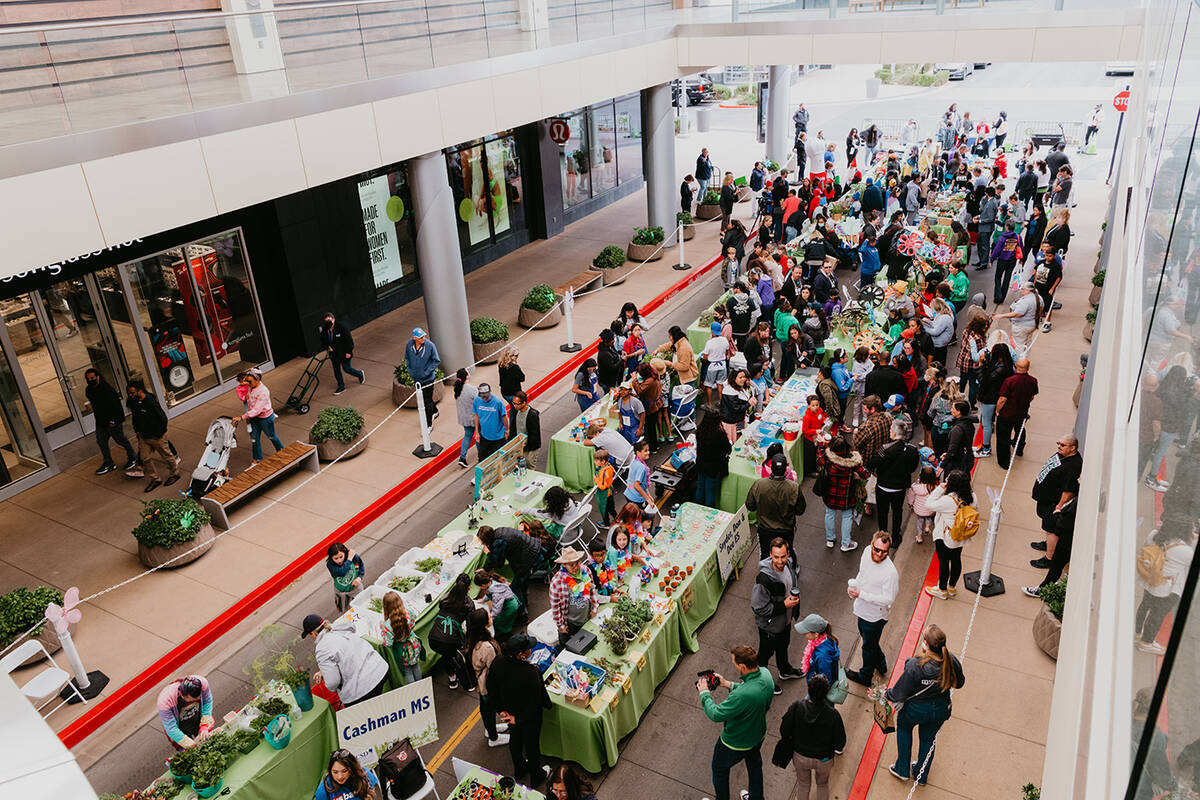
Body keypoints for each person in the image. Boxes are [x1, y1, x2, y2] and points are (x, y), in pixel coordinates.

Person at [885, 624, 965, 785]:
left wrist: (886, 694)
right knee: (928, 740)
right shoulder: (951, 660)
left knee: (904, 729)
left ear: (926, 644)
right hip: (940, 709)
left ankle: (902, 769)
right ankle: (921, 775)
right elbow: (960, 683)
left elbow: (899, 692)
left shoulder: (915, 665)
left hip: (915, 710)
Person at [697, 645, 775, 800]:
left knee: (719, 769)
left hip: (734, 743)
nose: (734, 665)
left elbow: (716, 714)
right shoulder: (766, 674)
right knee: (754, 766)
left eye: (734, 663)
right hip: (757, 735)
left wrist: (704, 693)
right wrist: (727, 684)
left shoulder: (741, 695)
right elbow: (751, 688)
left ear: (743, 666)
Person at [488, 634, 552, 785]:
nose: (531, 649)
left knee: (515, 740)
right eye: (528, 648)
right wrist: (519, 719)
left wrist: (501, 710)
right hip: (528, 718)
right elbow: (535, 703)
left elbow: (491, 688)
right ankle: (537, 775)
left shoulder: (498, 662)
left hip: (510, 712)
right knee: (531, 745)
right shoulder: (530, 673)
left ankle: (520, 769)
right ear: (521, 654)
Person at [1132, 515, 1195, 654]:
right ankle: (1146, 642)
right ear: (1183, 531)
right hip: (1164, 589)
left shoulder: (1153, 535)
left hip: (1148, 581)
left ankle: (1137, 634)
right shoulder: (1185, 551)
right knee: (1157, 615)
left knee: (1145, 605)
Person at [780, 674, 846, 800]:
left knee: (803, 786)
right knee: (822, 785)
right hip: (824, 759)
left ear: (809, 690)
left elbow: (784, 730)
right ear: (827, 693)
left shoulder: (797, 707)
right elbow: (840, 742)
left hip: (800, 756)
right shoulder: (833, 715)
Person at [847, 531, 900, 686]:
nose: (879, 554)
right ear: (871, 544)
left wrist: (862, 594)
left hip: (875, 617)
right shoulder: (865, 552)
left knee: (868, 647)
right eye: (876, 549)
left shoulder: (890, 573)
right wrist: (854, 588)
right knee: (870, 642)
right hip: (862, 610)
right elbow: (862, 574)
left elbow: (888, 599)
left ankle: (865, 676)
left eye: (884, 551)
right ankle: (881, 664)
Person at [302, 613, 389, 705]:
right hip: (379, 668)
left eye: (310, 635)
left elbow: (332, 682)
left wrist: (334, 686)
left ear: (313, 633)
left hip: (362, 689)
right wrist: (323, 671)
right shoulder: (340, 628)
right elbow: (346, 655)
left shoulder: (322, 648)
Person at [750, 536, 802, 685]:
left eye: (783, 556)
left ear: (789, 555)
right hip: (769, 626)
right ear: (770, 555)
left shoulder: (789, 565)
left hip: (785, 621)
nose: (780, 561)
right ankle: (763, 683)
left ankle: (784, 670)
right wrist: (784, 605)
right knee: (765, 654)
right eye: (776, 557)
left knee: (783, 646)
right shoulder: (764, 579)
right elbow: (758, 607)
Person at [1029, 434, 1083, 566]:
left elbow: (1069, 491)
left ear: (1073, 448)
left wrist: (1059, 506)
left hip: (1053, 504)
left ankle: (1049, 558)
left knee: (1051, 530)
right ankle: (1048, 544)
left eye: (1062, 445)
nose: (1059, 446)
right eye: (1058, 443)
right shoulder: (1063, 455)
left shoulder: (1073, 466)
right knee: (1047, 526)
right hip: (1046, 500)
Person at [463, 607, 511, 747]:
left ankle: (490, 730)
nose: (491, 616)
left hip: (480, 681)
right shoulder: (486, 647)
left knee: (485, 707)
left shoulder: (472, 639)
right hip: (487, 683)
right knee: (490, 708)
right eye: (488, 616)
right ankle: (493, 737)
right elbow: (494, 667)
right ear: (484, 625)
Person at [923, 470, 974, 599]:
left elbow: (928, 504)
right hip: (961, 535)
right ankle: (952, 587)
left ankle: (942, 589)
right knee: (956, 560)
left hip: (946, 537)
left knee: (944, 563)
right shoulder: (971, 497)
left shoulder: (948, 500)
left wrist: (940, 488)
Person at [746, 454, 807, 558]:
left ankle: (766, 573)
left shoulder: (759, 484)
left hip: (765, 529)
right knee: (785, 554)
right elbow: (800, 510)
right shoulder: (794, 488)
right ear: (785, 469)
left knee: (765, 554)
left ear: (771, 468)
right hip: (786, 529)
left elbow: (750, 505)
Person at [817, 435, 870, 551]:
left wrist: (821, 445)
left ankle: (830, 539)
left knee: (829, 514)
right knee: (847, 516)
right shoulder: (852, 461)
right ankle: (846, 543)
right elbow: (866, 474)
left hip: (829, 493)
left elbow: (819, 459)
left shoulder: (827, 457)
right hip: (846, 495)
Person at [126, 379, 179, 492]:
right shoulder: (135, 403)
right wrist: (137, 431)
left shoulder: (150, 401)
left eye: (132, 393)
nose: (130, 395)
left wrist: (159, 433)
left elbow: (162, 418)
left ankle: (174, 473)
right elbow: (135, 418)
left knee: (166, 455)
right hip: (144, 437)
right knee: (144, 458)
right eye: (129, 393)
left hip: (157, 436)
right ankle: (155, 479)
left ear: (140, 391)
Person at [84, 369, 137, 474]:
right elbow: (96, 403)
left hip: (112, 421)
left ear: (98, 377)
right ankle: (108, 462)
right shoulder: (89, 390)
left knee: (120, 440)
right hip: (100, 421)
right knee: (101, 441)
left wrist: (114, 421)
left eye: (92, 378)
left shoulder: (108, 390)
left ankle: (133, 457)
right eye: (88, 379)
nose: (90, 380)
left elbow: (116, 407)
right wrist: (91, 406)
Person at [874, 422, 920, 545]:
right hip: (899, 487)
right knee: (897, 511)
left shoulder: (884, 449)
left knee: (882, 512)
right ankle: (895, 536)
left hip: (883, 486)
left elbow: (873, 463)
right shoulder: (912, 450)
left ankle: (883, 536)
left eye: (890, 430)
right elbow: (913, 467)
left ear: (894, 433)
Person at [479, 524, 542, 609]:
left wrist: (488, 553)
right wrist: (485, 568)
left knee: (515, 587)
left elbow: (499, 563)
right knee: (522, 582)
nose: (482, 543)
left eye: (482, 541)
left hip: (527, 557)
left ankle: (522, 611)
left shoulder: (499, 542)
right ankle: (524, 599)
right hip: (531, 548)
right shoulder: (498, 532)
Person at [231, 367, 284, 466]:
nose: (247, 383)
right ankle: (257, 459)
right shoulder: (252, 387)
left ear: (258, 379)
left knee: (271, 436)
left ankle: (282, 451)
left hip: (265, 418)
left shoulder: (263, 392)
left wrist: (241, 417)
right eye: (247, 381)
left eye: (249, 381)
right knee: (254, 438)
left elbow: (256, 410)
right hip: (254, 418)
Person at [993, 357, 1039, 470]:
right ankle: (1019, 449)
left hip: (1006, 415)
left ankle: (1004, 462)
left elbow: (1002, 399)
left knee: (1003, 438)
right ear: (1028, 368)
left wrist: (998, 410)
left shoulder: (1009, 381)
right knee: (1020, 431)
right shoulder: (1033, 380)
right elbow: (1032, 396)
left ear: (1016, 367)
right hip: (1022, 412)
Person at [549, 547, 598, 646]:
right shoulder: (557, 581)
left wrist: (594, 608)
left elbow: (592, 590)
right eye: (571, 565)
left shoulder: (586, 571)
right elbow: (555, 607)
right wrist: (561, 625)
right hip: (570, 623)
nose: (576, 567)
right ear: (564, 564)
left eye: (577, 563)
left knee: (586, 643)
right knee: (567, 646)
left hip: (586, 616)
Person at [974, 340, 1015, 458]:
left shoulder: (1000, 368)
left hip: (990, 398)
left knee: (986, 424)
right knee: (987, 423)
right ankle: (984, 446)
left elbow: (984, 380)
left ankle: (986, 448)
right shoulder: (1007, 366)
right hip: (994, 397)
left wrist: (981, 365)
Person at [156, 675, 214, 750]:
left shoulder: (202, 683)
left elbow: (207, 702)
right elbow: (171, 729)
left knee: (208, 741)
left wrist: (204, 726)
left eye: (199, 697)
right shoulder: (165, 702)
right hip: (179, 729)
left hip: (196, 718)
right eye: (194, 699)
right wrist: (190, 745)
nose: (199, 699)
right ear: (183, 696)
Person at [381, 591, 423, 686]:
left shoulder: (387, 625)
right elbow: (413, 623)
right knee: (416, 666)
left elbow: (388, 643)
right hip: (414, 645)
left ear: (386, 607)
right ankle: (421, 685)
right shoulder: (409, 611)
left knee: (408, 671)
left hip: (403, 651)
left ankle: (415, 690)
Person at [321, 311, 365, 396]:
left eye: (329, 321)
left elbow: (349, 340)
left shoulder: (341, 327)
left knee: (347, 369)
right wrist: (327, 347)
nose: (328, 323)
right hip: (334, 355)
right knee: (336, 370)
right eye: (326, 321)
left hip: (344, 353)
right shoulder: (325, 329)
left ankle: (360, 374)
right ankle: (341, 386)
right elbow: (322, 340)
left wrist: (348, 351)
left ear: (333, 319)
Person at [404, 327, 441, 428]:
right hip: (416, 378)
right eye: (420, 337)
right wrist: (410, 370)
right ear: (414, 338)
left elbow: (436, 360)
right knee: (427, 398)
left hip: (428, 379)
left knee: (426, 401)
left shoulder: (430, 346)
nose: (423, 338)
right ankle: (435, 411)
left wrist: (426, 372)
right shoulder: (409, 345)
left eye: (424, 336)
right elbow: (407, 358)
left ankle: (428, 425)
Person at [696, 410, 732, 507]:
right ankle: (708, 512)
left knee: (700, 489)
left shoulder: (699, 431)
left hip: (701, 465)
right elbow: (728, 449)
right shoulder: (719, 435)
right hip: (713, 469)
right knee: (710, 492)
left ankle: (698, 508)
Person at [993, 282, 1041, 355]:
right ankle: (1025, 359)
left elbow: (1017, 314)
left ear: (1028, 290)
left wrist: (1001, 316)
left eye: (1023, 289)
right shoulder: (1038, 298)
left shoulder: (1025, 301)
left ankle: (1020, 361)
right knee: (1027, 342)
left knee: (1019, 345)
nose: (1021, 291)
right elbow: (1041, 307)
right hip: (1032, 325)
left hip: (1021, 326)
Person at [314, 749, 379, 800]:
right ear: (330, 771)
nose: (340, 776)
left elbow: (372, 794)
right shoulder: (323, 790)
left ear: (352, 769)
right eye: (335, 772)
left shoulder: (364, 774)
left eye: (344, 771)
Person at [794, 614, 840, 686]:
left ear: (816, 634)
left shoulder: (822, 656)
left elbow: (825, 681)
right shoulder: (825, 639)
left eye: (806, 632)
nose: (804, 634)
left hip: (818, 690)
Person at [471, 382, 509, 461]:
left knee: (500, 460)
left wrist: (506, 431)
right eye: (482, 396)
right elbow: (476, 415)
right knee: (482, 460)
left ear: (490, 391)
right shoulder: (477, 400)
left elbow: (504, 417)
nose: (484, 398)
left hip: (498, 438)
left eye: (486, 396)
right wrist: (477, 432)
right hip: (484, 436)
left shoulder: (498, 402)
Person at [1032, 242, 1064, 332]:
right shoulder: (1041, 263)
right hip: (1038, 288)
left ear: (1054, 256)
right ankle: (1039, 319)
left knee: (1047, 306)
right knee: (1038, 305)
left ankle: (1047, 322)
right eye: (1046, 256)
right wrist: (1034, 284)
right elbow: (1035, 271)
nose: (1047, 258)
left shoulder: (1055, 266)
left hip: (1047, 290)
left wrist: (1052, 288)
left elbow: (1059, 277)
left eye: (1050, 256)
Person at [853, 395, 892, 467]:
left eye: (865, 409)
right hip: (883, 456)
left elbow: (856, 444)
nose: (864, 411)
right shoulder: (888, 417)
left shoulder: (865, 428)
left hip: (869, 461)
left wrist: (855, 433)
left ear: (872, 409)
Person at [506, 391, 541, 470]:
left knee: (530, 466)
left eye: (517, 404)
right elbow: (513, 428)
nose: (514, 406)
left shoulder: (532, 415)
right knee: (522, 466)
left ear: (524, 403)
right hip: (520, 446)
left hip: (530, 447)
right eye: (513, 403)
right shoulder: (516, 412)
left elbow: (534, 435)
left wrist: (526, 447)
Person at [326, 542, 365, 612]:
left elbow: (361, 566)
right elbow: (342, 572)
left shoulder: (354, 557)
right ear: (331, 558)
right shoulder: (330, 565)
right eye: (336, 558)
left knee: (361, 609)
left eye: (341, 557)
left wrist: (359, 577)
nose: (339, 560)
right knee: (348, 613)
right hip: (342, 593)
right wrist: (349, 559)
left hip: (356, 590)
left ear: (345, 553)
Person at [941, 401, 976, 476]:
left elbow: (952, 449)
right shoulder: (969, 423)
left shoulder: (957, 429)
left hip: (957, 463)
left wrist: (942, 465)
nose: (951, 410)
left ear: (959, 412)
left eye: (953, 408)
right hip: (967, 458)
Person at [623, 439, 655, 511]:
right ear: (638, 452)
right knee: (647, 518)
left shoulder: (634, 462)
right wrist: (648, 500)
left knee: (635, 517)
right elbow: (637, 485)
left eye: (648, 450)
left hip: (628, 494)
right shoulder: (642, 467)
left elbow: (643, 483)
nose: (648, 452)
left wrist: (649, 495)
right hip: (637, 499)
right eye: (645, 451)